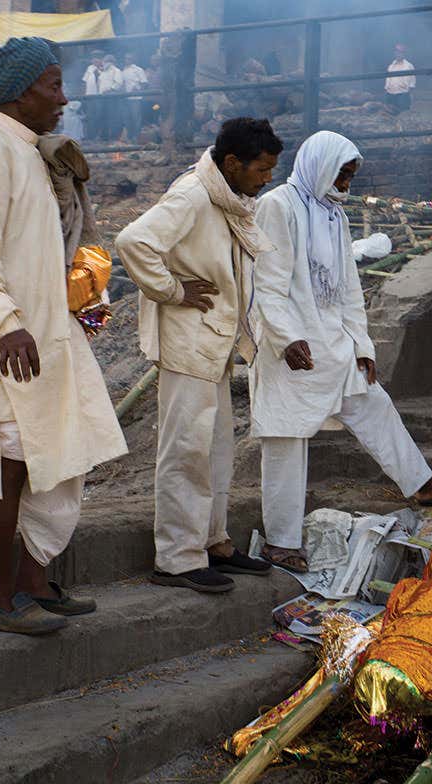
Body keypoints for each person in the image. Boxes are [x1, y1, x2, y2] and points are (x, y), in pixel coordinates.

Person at [0, 37, 126, 634]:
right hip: (9, 341)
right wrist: (7, 325)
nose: (64, 98)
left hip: (47, 333)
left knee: (62, 452)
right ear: (20, 93)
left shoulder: (34, 154)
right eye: (53, 85)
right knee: (11, 462)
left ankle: (34, 582)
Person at [251, 131, 432, 573]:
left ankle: (421, 484)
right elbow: (267, 283)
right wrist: (284, 338)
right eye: (342, 174)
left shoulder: (334, 214)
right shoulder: (279, 206)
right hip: (293, 348)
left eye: (351, 177)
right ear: (320, 166)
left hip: (333, 342)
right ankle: (281, 541)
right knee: (285, 437)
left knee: (373, 403)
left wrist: (362, 344)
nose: (346, 185)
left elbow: (349, 289)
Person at [116, 117, 283, 594]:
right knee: (186, 451)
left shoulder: (225, 197)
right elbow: (133, 242)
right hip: (189, 341)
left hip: (213, 342)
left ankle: (213, 542)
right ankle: (175, 558)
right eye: (261, 169)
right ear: (232, 163)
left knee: (216, 450)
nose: (266, 178)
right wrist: (172, 290)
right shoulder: (192, 194)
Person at [120, 52, 147, 142]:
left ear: (133, 59)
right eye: (126, 58)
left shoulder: (138, 70)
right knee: (127, 118)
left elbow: (144, 82)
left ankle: (136, 137)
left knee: (136, 118)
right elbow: (123, 83)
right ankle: (129, 137)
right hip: (125, 98)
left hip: (136, 99)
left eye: (129, 58)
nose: (127, 60)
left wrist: (138, 89)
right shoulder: (123, 70)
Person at [97, 54, 123, 140]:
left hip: (112, 98)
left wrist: (110, 90)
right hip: (102, 98)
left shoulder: (116, 71)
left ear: (111, 62)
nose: (105, 63)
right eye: (104, 61)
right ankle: (104, 137)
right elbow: (100, 84)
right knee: (103, 117)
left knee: (113, 117)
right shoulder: (103, 72)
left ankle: (113, 137)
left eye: (107, 61)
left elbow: (118, 83)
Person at [384, 44, 416, 114]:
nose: (398, 54)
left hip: (403, 94)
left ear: (404, 54)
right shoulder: (391, 66)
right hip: (390, 94)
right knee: (389, 114)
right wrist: (386, 91)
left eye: (401, 52)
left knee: (402, 114)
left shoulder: (409, 66)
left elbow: (412, 83)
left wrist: (409, 96)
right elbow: (388, 80)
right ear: (395, 53)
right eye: (397, 52)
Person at [81, 50, 104, 140]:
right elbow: (84, 81)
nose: (95, 60)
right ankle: (91, 136)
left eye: (97, 58)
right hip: (90, 97)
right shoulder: (89, 68)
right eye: (94, 58)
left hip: (99, 97)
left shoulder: (104, 69)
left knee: (99, 116)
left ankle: (99, 135)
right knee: (90, 116)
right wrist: (84, 95)